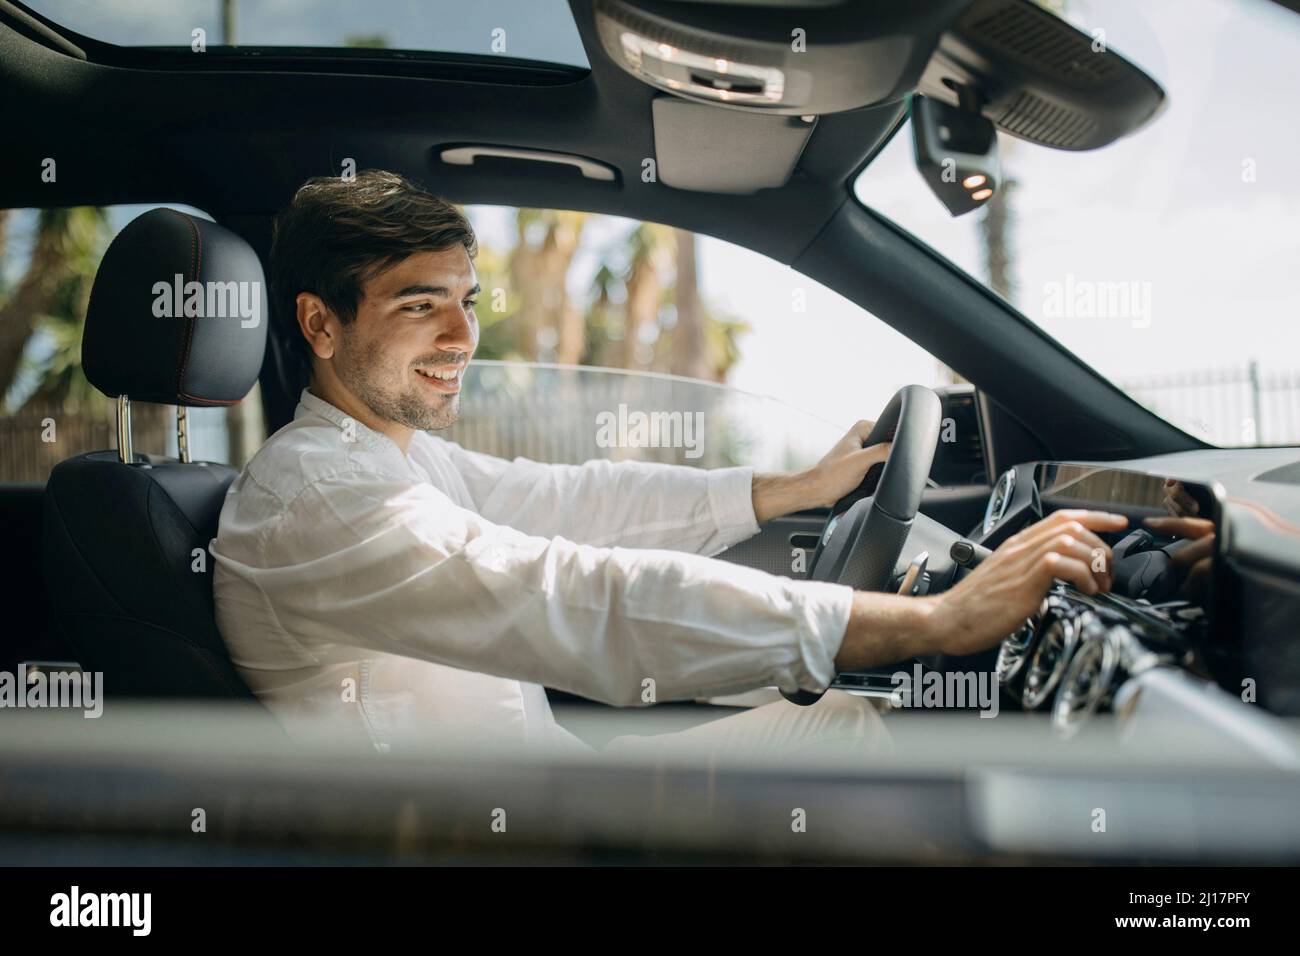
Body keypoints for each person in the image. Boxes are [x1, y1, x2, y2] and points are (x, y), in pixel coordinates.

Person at [211, 170, 1127, 756]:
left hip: (550, 798)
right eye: (421, 306)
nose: (463, 334)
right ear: (321, 324)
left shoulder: (392, 461)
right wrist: (934, 621)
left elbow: (579, 504)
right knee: (893, 759)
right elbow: (570, 593)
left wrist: (791, 491)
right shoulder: (313, 496)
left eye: (467, 299)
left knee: (854, 725)